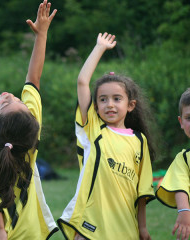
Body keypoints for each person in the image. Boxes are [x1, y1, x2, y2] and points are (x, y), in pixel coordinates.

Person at [0, 1, 58, 239]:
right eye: (16, 98)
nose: (9, 95)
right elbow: (33, 78)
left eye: (8, 102)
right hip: (29, 231)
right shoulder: (30, 128)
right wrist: (42, 35)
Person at [57, 33, 156, 240]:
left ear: (130, 105)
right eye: (103, 99)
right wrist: (99, 48)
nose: (109, 104)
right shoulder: (93, 129)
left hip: (126, 229)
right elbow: (83, 82)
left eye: (117, 98)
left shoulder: (139, 141)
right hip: (90, 225)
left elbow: (142, 192)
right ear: (95, 106)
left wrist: (143, 227)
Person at [156, 88, 190, 240]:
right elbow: (180, 185)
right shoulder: (183, 159)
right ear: (181, 122)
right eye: (189, 117)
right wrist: (184, 211)